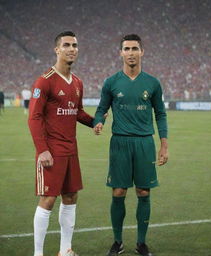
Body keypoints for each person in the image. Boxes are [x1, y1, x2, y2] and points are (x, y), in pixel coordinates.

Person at [93, 34, 168, 256]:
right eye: (127, 49)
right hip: (120, 143)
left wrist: (164, 145)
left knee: (144, 192)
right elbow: (101, 109)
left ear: (142, 52)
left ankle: (141, 243)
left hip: (145, 142)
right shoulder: (111, 82)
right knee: (118, 192)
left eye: (135, 48)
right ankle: (117, 242)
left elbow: (161, 114)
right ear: (121, 53)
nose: (131, 52)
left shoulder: (153, 83)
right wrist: (99, 122)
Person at [28, 31, 94, 256]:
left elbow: (77, 112)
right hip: (52, 151)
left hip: (71, 150)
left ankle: (65, 250)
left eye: (74, 45)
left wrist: (95, 122)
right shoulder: (44, 81)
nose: (71, 48)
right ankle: (38, 254)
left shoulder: (77, 82)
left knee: (71, 196)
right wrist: (42, 150)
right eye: (66, 45)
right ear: (57, 49)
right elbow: (34, 117)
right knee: (48, 199)